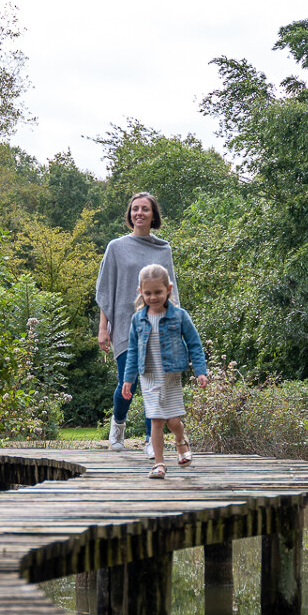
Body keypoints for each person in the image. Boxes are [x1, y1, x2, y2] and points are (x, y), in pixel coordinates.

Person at [95, 191, 179, 458]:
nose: (139, 213)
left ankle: (149, 439)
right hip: (124, 324)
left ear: (153, 215)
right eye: (135, 209)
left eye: (145, 209)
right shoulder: (115, 247)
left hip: (156, 325)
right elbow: (107, 290)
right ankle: (118, 423)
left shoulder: (163, 249)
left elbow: (171, 290)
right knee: (126, 383)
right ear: (130, 215)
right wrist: (102, 328)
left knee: (152, 384)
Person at [120, 263, 208, 479]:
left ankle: (180, 439)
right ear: (141, 292)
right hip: (148, 375)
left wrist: (200, 371)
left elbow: (194, 344)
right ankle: (159, 463)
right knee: (156, 420)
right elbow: (132, 351)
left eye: (158, 292)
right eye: (148, 293)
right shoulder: (138, 319)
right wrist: (128, 379)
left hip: (171, 375)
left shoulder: (179, 316)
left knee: (172, 421)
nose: (153, 297)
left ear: (168, 289)